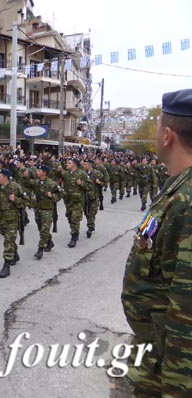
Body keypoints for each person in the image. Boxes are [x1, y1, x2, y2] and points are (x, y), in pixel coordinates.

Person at [121, 89, 192, 397]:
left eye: (157, 126)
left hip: (169, 369)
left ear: (167, 136)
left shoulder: (186, 203)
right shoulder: (176, 190)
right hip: (154, 355)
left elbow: (187, 313)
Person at [0, 169, 25, 278]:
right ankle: (15, 255)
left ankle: (6, 266)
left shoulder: (15, 187)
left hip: (13, 219)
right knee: (8, 239)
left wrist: (16, 199)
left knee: (8, 241)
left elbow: (26, 200)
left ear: (5, 177)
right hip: (2, 219)